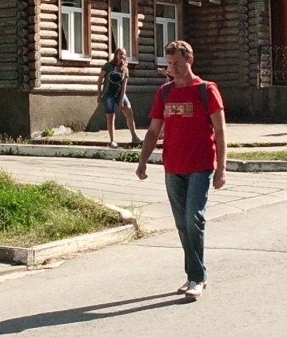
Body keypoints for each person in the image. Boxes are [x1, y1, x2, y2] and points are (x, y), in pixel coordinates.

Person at [135, 40, 227, 300]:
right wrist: (142, 160)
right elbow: (153, 131)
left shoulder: (207, 90)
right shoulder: (164, 93)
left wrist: (221, 168)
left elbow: (220, 131)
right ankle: (195, 274)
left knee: (193, 219)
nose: (172, 68)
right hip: (173, 167)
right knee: (182, 224)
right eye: (169, 63)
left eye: (176, 62)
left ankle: (196, 278)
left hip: (201, 165)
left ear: (190, 60)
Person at [96, 48, 141, 148]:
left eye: (124, 54)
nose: (122, 56)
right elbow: (99, 80)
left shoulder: (125, 68)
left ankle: (134, 136)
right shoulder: (108, 66)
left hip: (120, 94)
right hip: (108, 94)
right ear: (116, 54)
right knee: (110, 117)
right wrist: (99, 95)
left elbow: (124, 85)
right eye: (120, 54)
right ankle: (112, 141)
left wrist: (121, 100)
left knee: (129, 111)